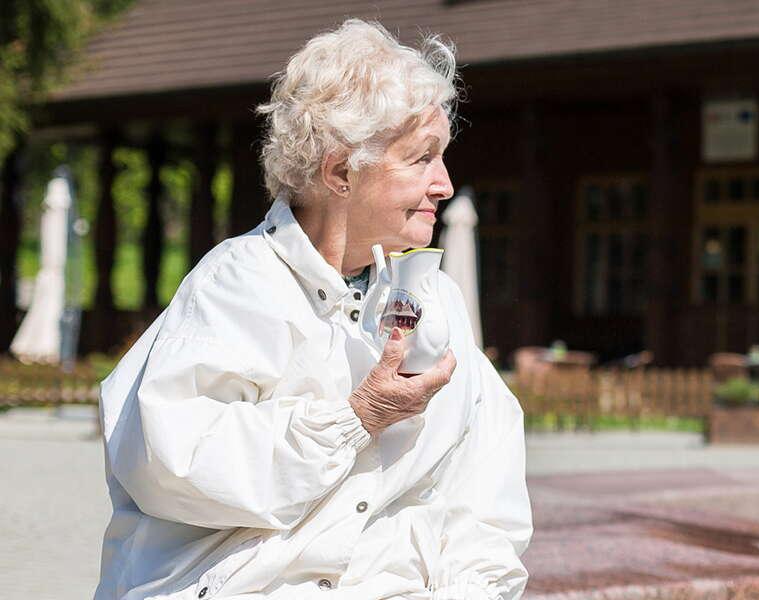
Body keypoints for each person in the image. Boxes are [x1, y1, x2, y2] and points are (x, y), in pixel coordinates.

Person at [94, 19, 530, 599]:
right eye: (422, 158)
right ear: (340, 171)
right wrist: (360, 415)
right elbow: (168, 464)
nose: (444, 184)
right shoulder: (239, 282)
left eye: (442, 157)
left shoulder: (436, 297)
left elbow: (485, 487)